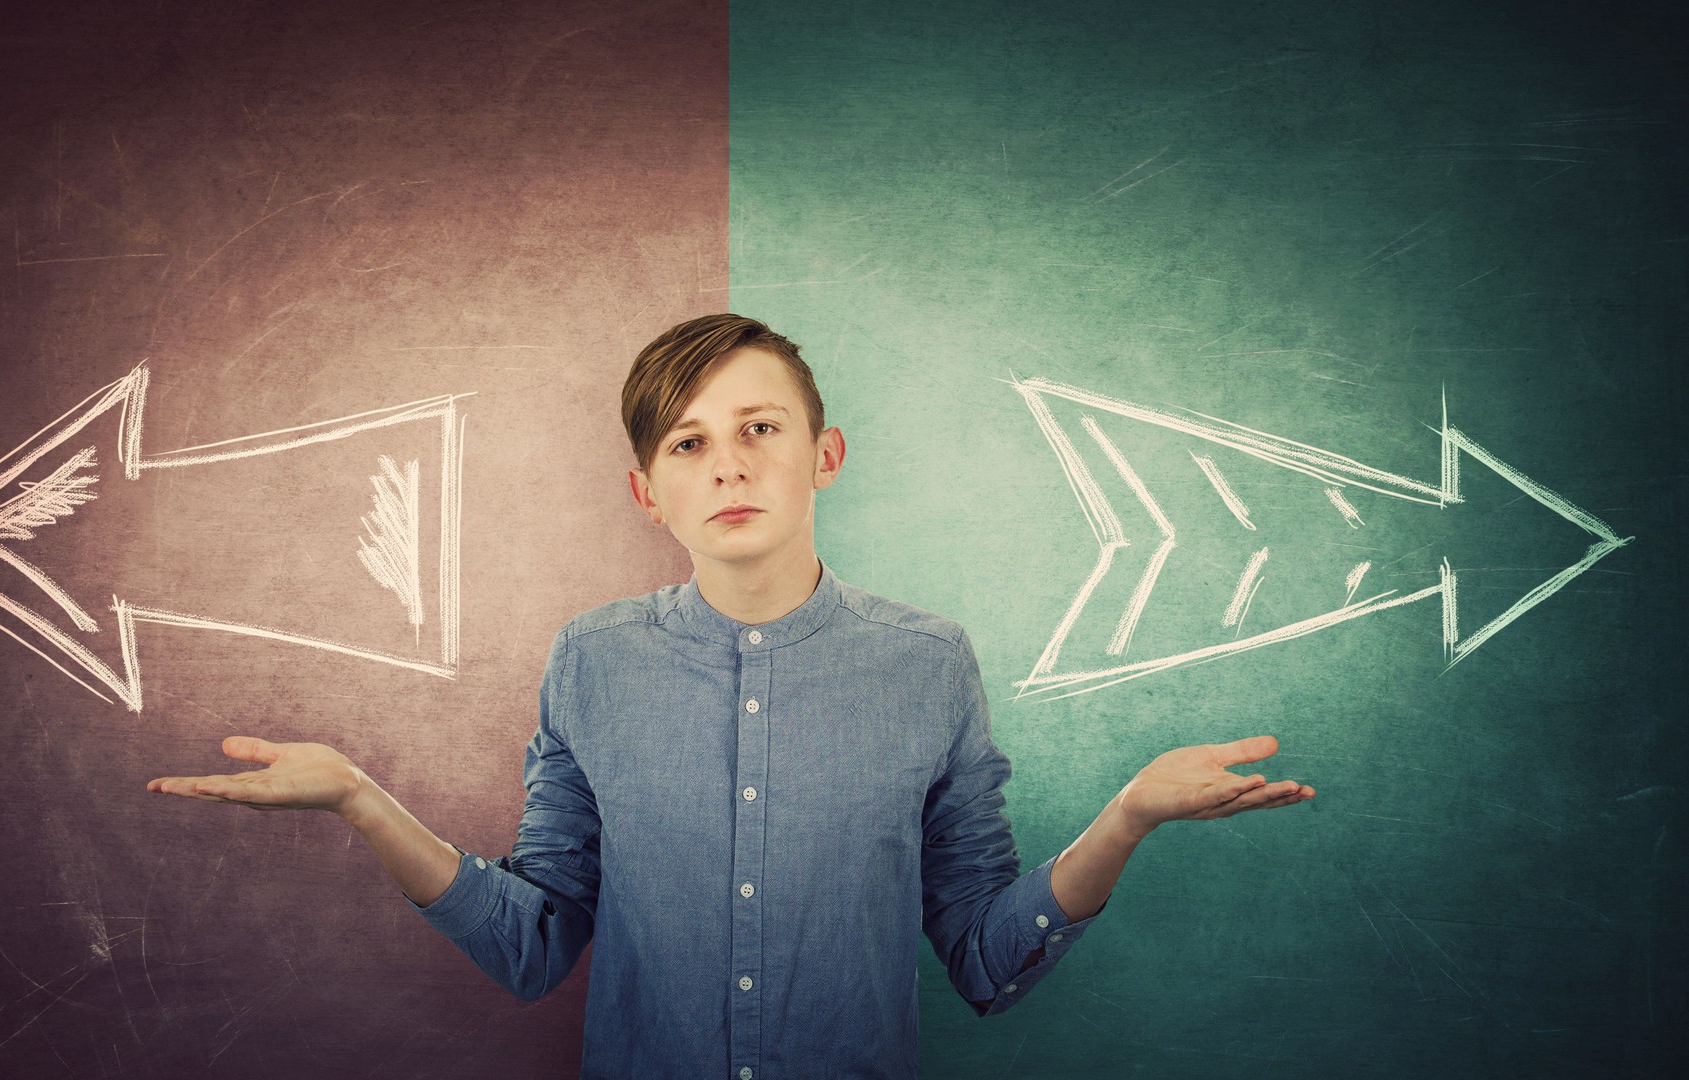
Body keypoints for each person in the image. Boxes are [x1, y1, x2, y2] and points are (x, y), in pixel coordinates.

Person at [147, 314, 1316, 1078]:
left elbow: (980, 956)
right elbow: (535, 943)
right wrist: (362, 801)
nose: (729, 464)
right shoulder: (590, 661)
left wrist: (1127, 819)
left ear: (825, 453)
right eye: (689, 444)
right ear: (648, 489)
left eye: (760, 429)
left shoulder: (931, 662)